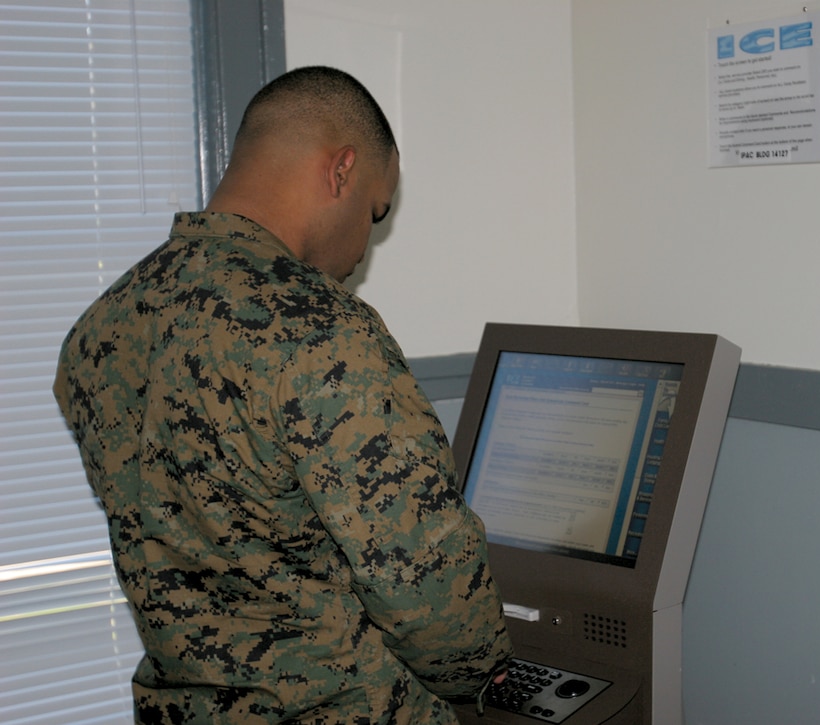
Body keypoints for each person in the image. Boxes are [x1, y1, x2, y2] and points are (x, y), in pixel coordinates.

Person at [53, 66, 513, 724]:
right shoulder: (321, 329)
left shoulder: (101, 329)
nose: (365, 244)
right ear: (341, 172)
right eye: (374, 212)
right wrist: (483, 665)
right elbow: (428, 591)